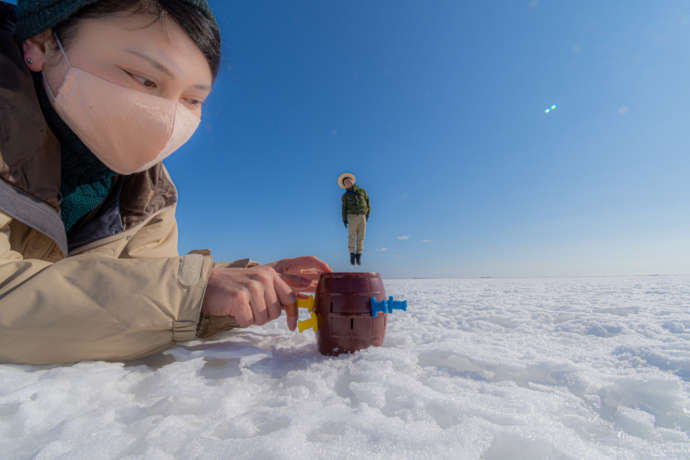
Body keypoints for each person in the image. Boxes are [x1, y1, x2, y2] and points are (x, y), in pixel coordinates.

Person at [0, 0, 331, 365]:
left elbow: (138, 282)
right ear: (41, 44)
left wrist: (244, 282)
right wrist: (193, 291)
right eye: (145, 79)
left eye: (192, 99)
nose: (168, 120)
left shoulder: (147, 191)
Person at [338, 172, 370, 265]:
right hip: (351, 216)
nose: (347, 183)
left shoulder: (362, 191)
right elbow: (343, 208)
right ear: (344, 185)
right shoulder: (345, 196)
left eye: (349, 181)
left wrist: (367, 214)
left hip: (362, 216)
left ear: (352, 181)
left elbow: (368, 202)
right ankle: (352, 254)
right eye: (345, 183)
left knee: (361, 237)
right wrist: (344, 219)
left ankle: (359, 255)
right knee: (351, 236)